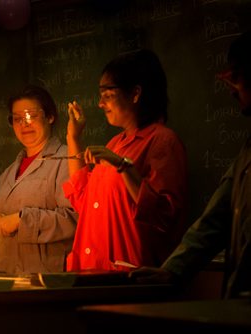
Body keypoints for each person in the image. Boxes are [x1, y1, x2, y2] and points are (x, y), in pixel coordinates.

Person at [130, 31, 251, 299]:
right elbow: (216, 218)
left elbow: (165, 211)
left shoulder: (163, 141)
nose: (231, 90)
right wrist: (173, 270)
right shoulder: (247, 152)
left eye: (237, 78)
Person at [64, 49, 188, 272]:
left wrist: (123, 166)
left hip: (126, 278)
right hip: (91, 272)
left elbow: (164, 216)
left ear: (135, 93)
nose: (100, 104)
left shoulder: (162, 141)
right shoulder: (115, 144)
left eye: (108, 95)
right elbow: (84, 201)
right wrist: (73, 138)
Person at [0, 84, 78, 276]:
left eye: (30, 116)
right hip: (7, 277)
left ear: (50, 116)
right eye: (17, 119)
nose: (24, 124)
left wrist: (21, 221)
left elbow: (75, 220)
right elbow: (4, 223)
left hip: (48, 279)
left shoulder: (67, 160)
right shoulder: (8, 173)